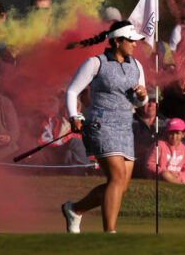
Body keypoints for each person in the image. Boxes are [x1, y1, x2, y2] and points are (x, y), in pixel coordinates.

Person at [62, 20, 148, 233]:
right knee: (116, 179)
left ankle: (75, 209)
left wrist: (143, 97)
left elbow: (140, 102)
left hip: (125, 128)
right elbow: (72, 91)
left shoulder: (137, 66)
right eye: (131, 40)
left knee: (120, 186)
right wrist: (74, 116)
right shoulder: (96, 63)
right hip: (101, 126)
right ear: (117, 41)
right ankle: (110, 232)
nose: (135, 45)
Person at [132, 88, 168, 178]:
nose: (151, 105)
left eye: (153, 101)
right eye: (147, 101)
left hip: (163, 170)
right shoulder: (129, 122)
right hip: (136, 170)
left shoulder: (168, 124)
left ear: (158, 104)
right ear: (139, 104)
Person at [146, 118, 185, 184]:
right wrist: (164, 172)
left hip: (177, 177)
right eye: (171, 133)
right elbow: (150, 164)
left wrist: (179, 176)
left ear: (183, 134)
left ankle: (176, 182)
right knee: (166, 175)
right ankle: (179, 185)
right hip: (160, 176)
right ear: (167, 133)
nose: (174, 136)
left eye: (177, 133)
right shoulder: (159, 145)